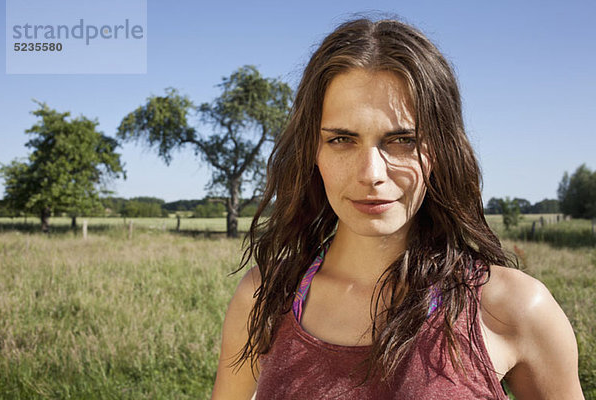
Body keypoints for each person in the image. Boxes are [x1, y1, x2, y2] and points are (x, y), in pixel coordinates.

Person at [211, 17, 584, 400]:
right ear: (313, 151)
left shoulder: (513, 308)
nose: (371, 174)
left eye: (402, 140)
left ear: (440, 150)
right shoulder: (265, 295)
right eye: (342, 139)